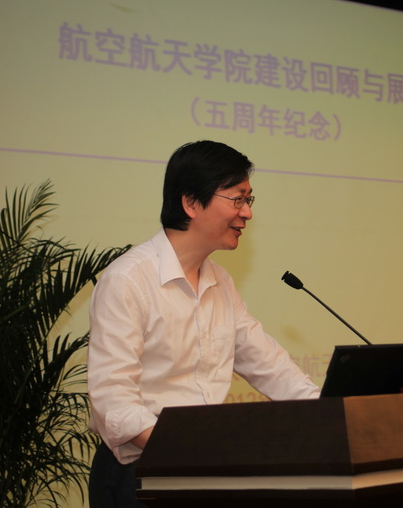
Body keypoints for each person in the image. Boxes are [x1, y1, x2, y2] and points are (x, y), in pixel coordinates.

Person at [87, 140, 320, 507]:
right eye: (238, 199)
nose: (247, 213)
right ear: (191, 203)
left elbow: (271, 367)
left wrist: (333, 415)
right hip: (139, 474)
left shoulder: (220, 282)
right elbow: (114, 403)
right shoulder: (128, 280)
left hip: (202, 468)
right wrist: (190, 451)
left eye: (249, 200)